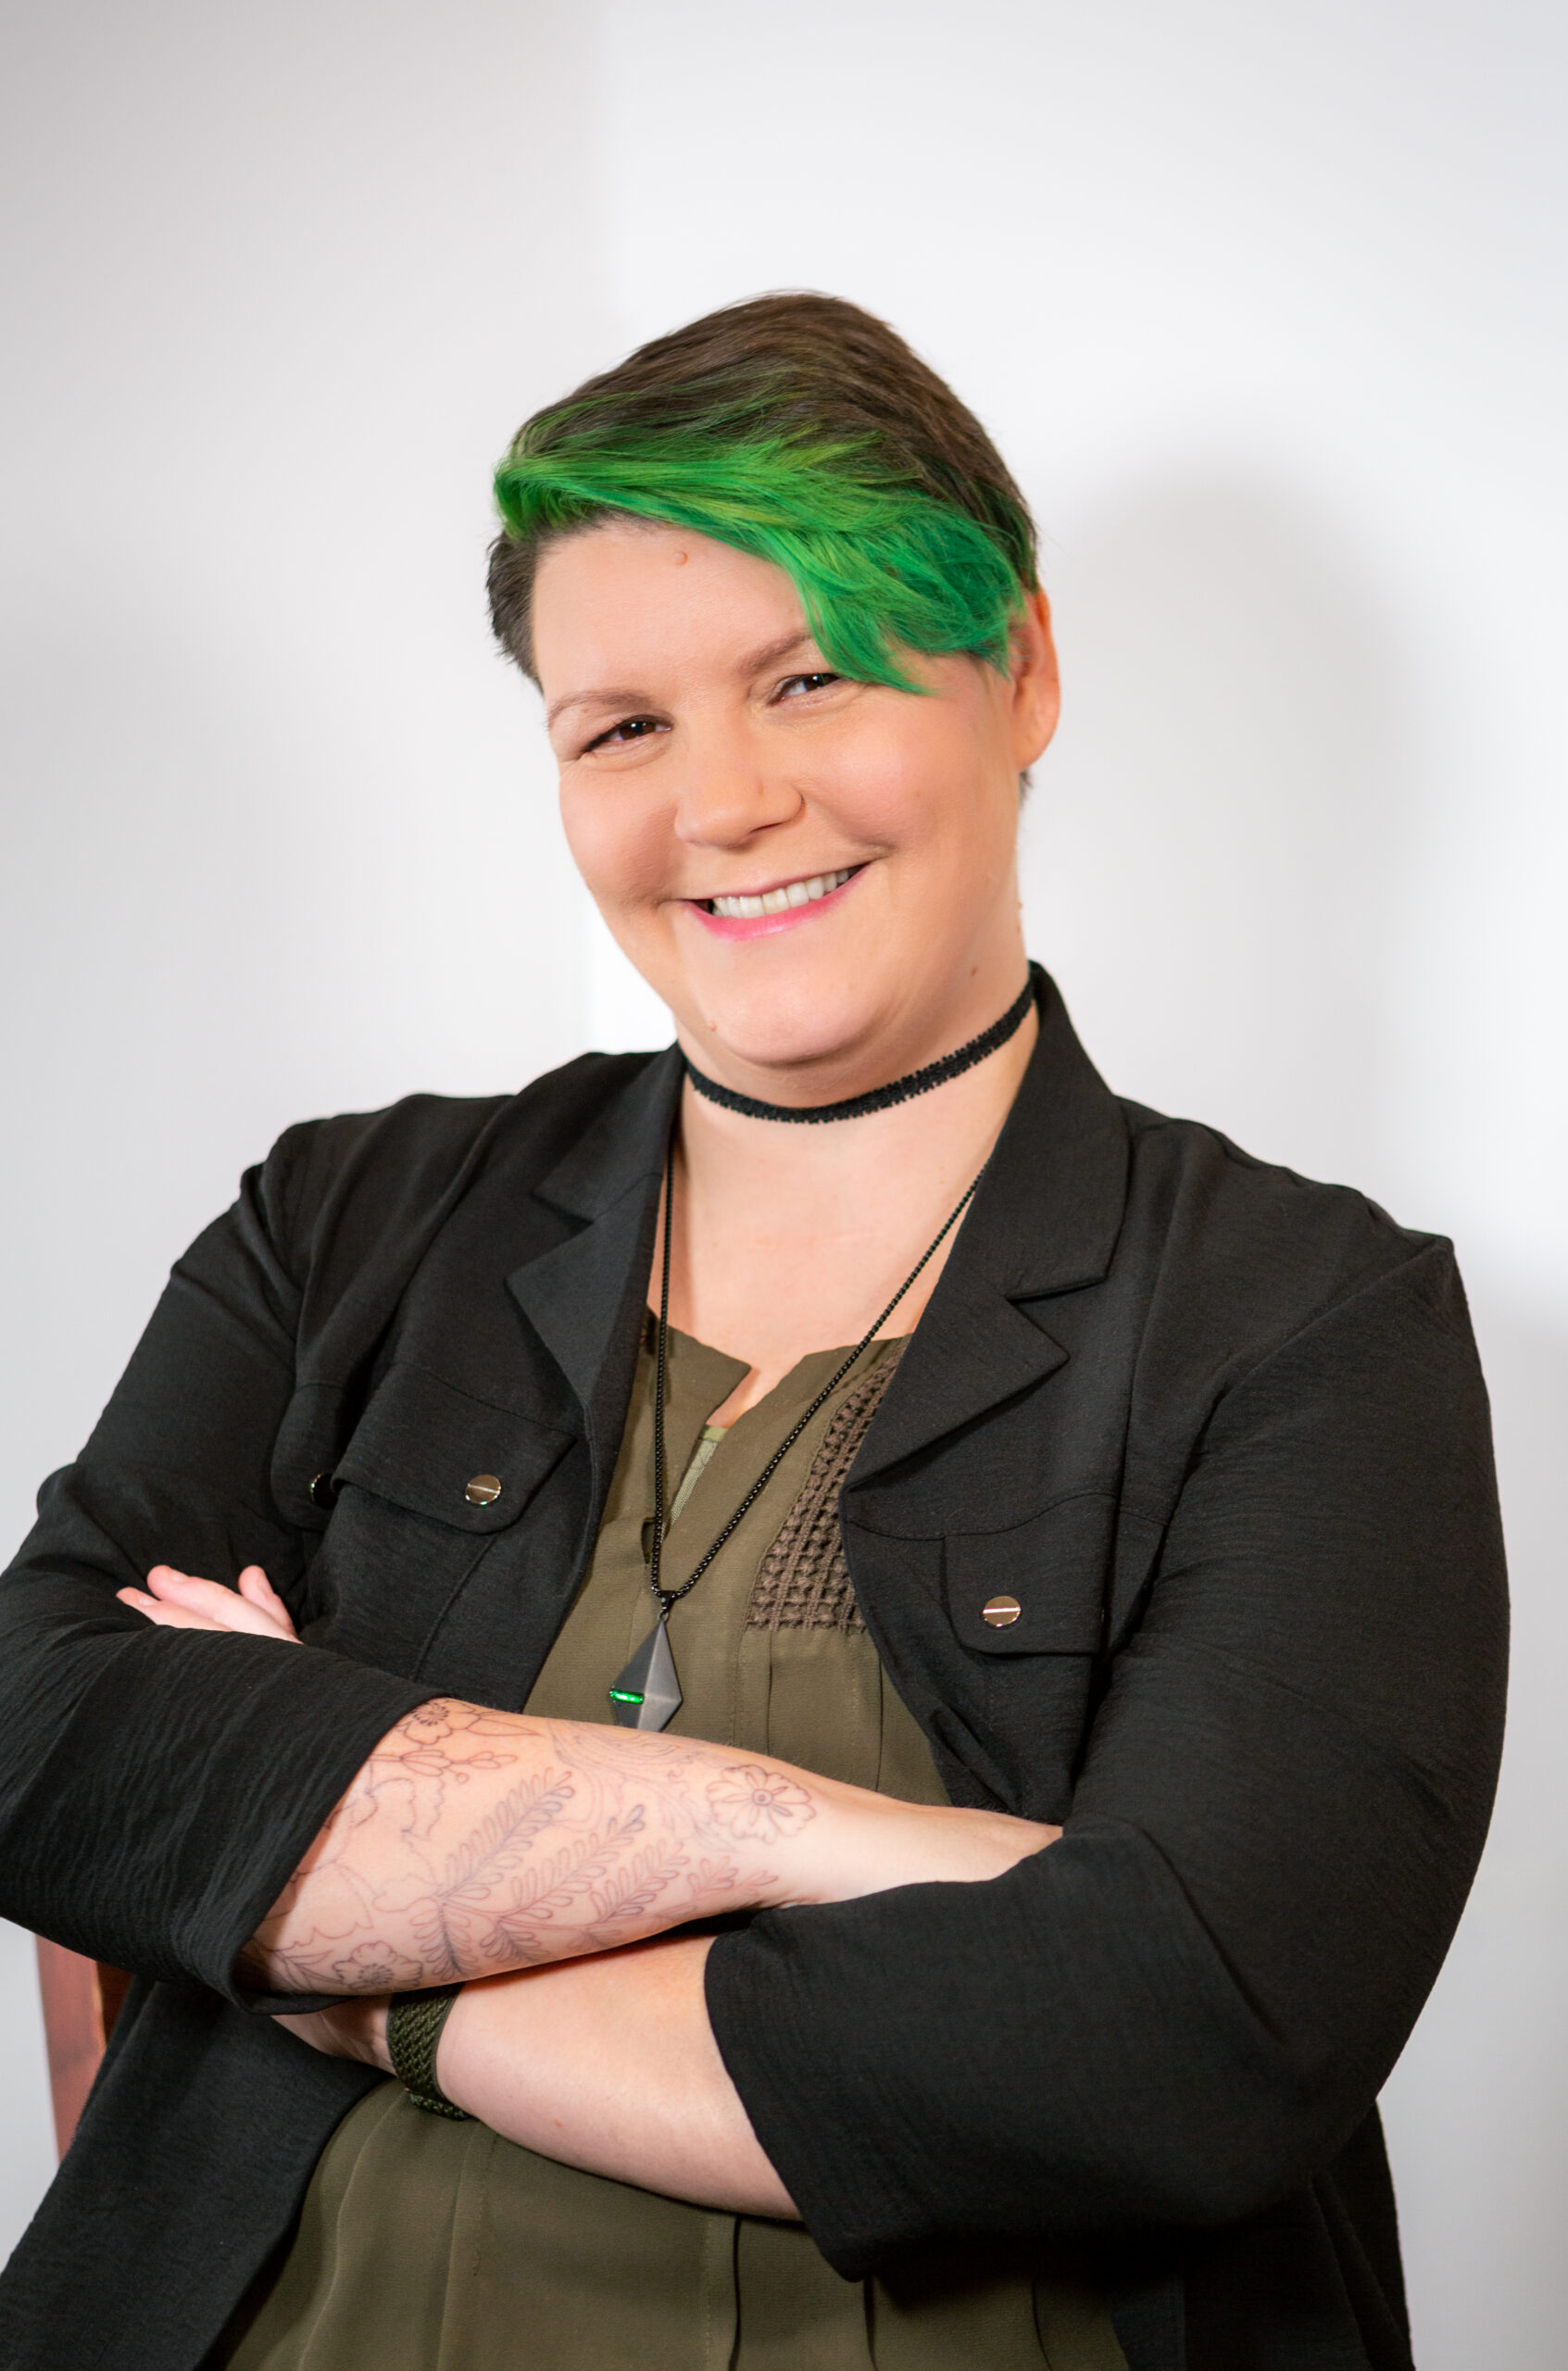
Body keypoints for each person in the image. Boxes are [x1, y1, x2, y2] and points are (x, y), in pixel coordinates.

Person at [0, 294, 1506, 2371]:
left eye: (808, 678)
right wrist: (832, 1840)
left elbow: (1167, 2037)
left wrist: (326, 1945)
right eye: (620, 724)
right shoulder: (343, 1218)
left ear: (1024, 671)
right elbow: (51, 1744)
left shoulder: (1307, 1316)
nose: (719, 802)